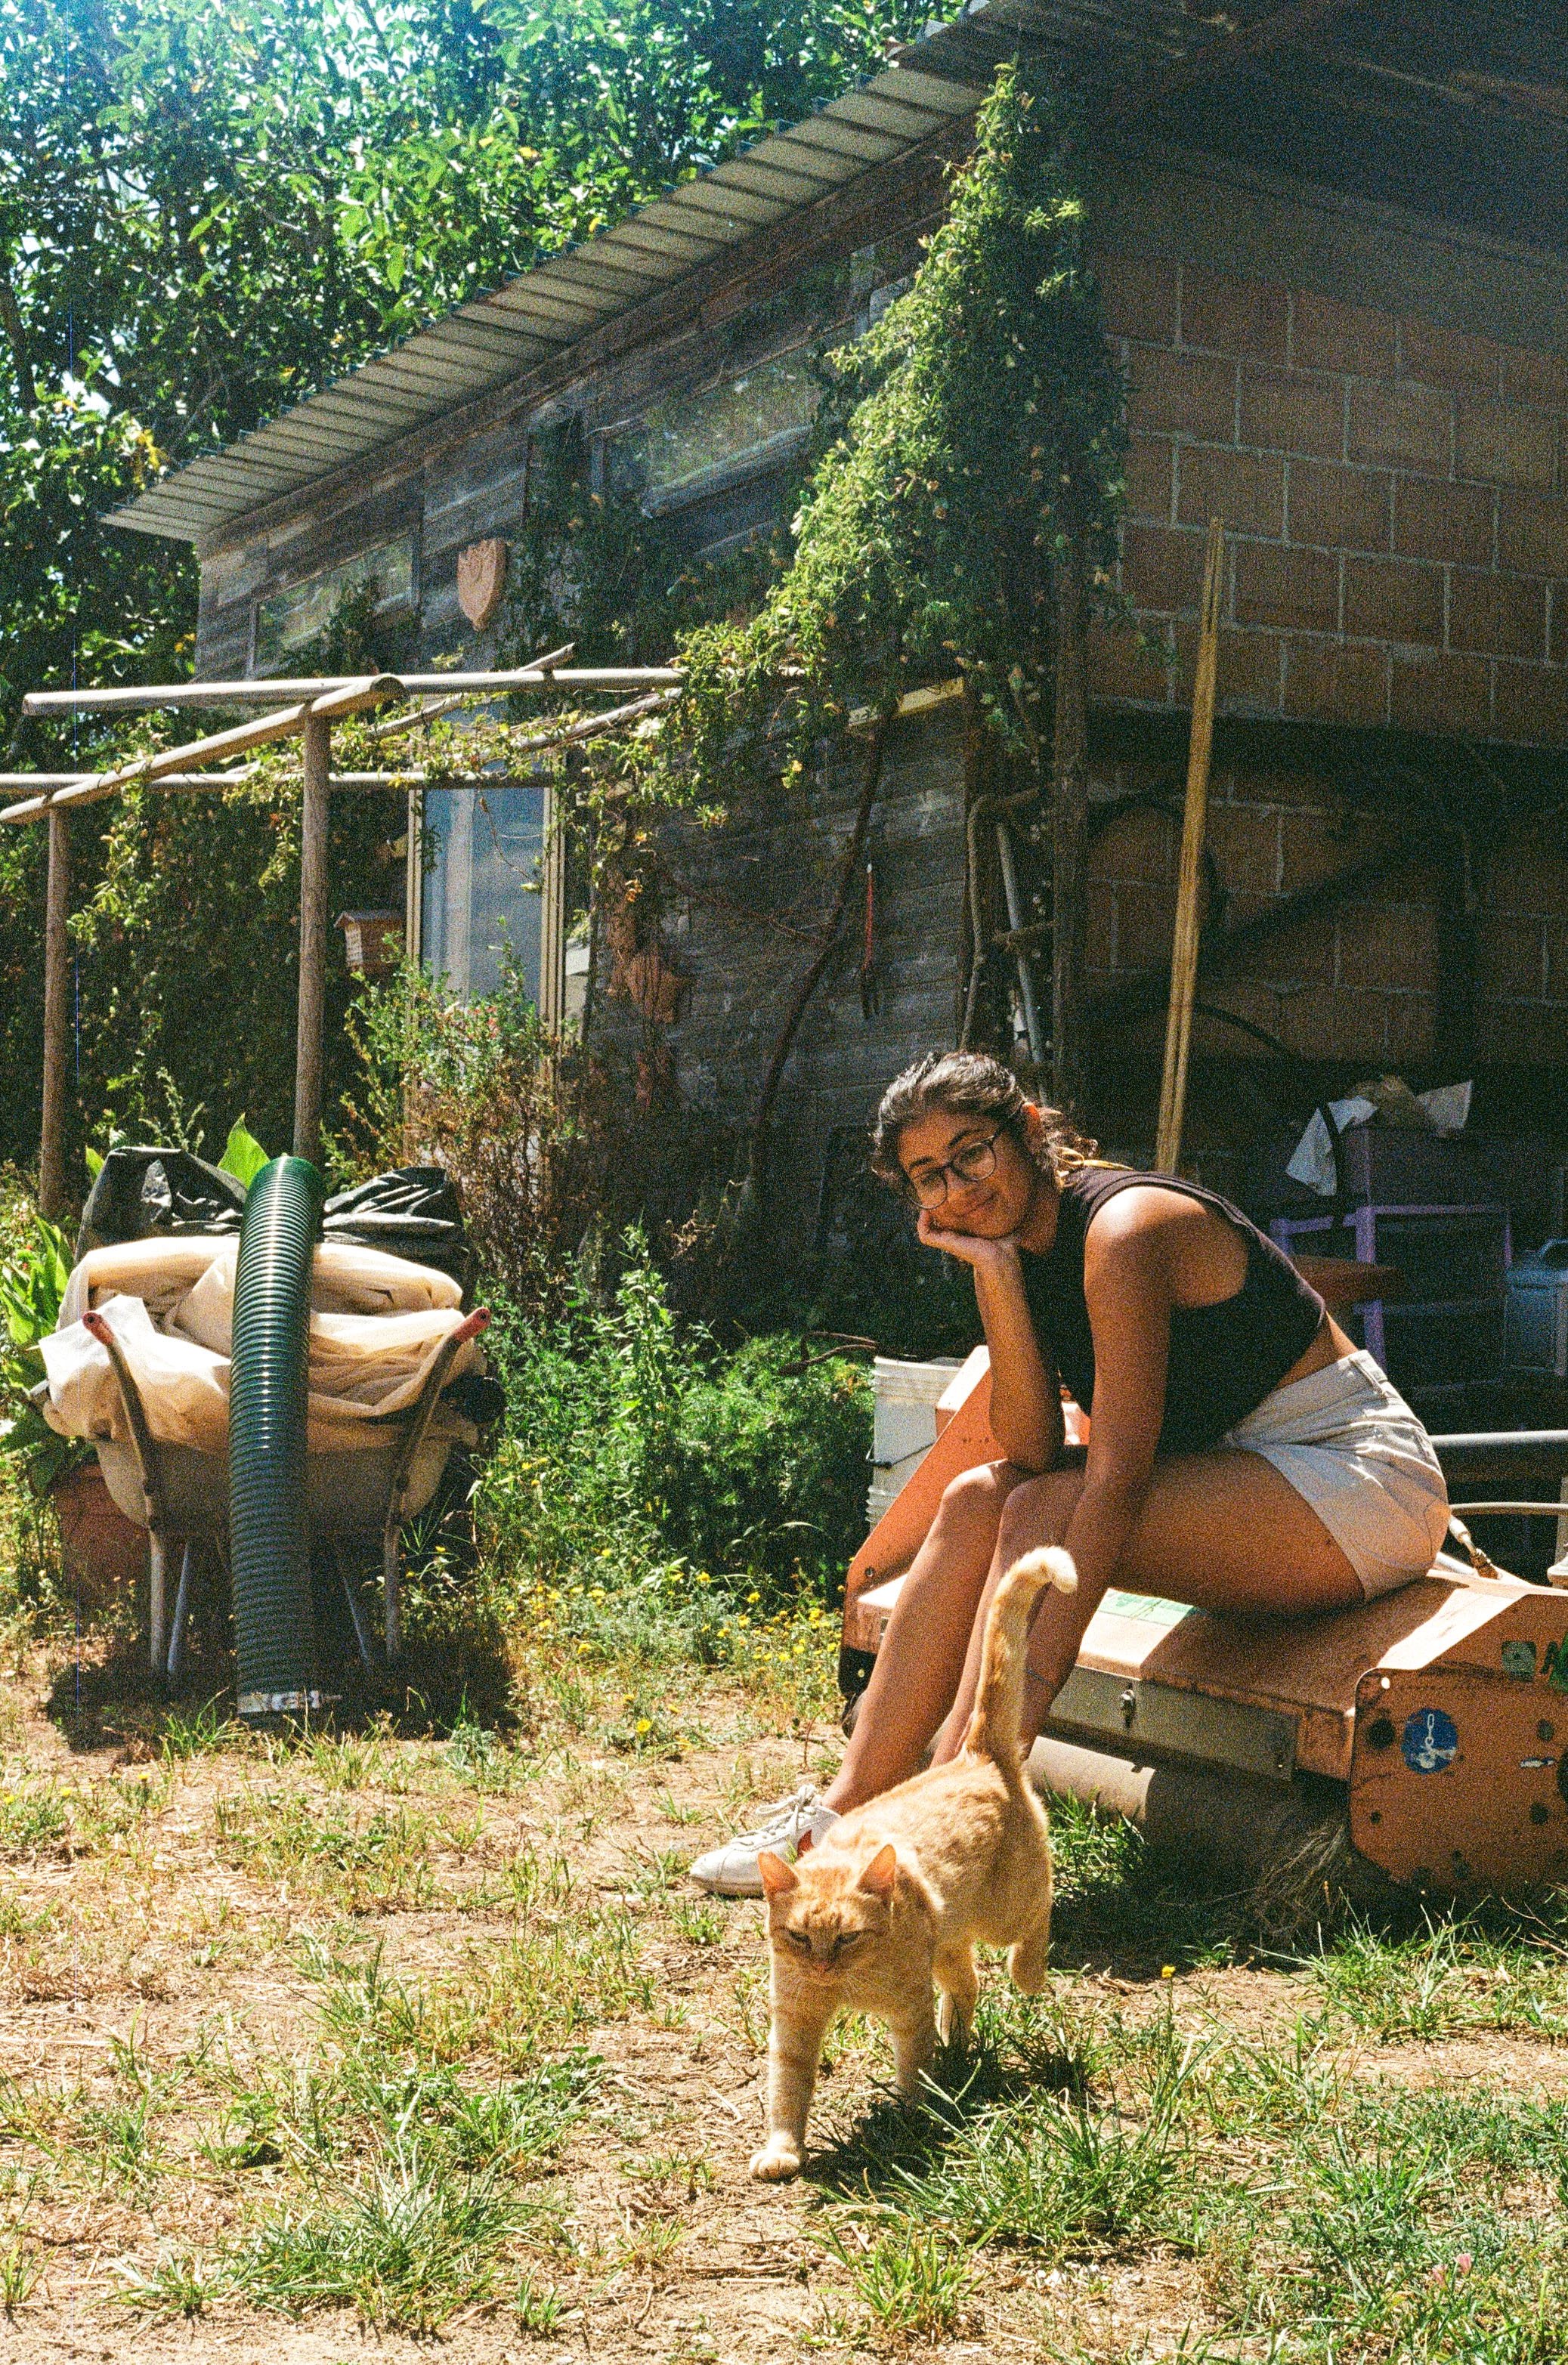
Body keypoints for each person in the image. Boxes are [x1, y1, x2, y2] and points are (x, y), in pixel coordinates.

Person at [691, 1049, 1449, 1896]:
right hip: (1243, 1479)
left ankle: (945, 1814)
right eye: (927, 1177)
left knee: (1041, 1511)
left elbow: (1112, 1482)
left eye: (971, 1153)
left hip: (1357, 1481)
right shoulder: (1021, 1245)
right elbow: (1026, 1449)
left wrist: (1027, 1701)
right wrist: (996, 1276)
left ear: (1024, 1131)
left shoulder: (1123, 1232)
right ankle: (846, 1808)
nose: (956, 1189)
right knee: (980, 1496)